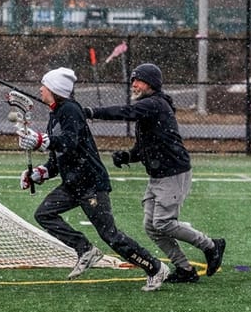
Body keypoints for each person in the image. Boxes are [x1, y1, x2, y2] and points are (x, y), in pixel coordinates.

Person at [16, 67, 170, 291]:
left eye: (44, 85)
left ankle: (155, 268)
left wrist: (41, 141)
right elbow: (58, 158)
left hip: (90, 184)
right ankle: (85, 249)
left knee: (110, 235)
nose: (40, 89)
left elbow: (70, 142)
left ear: (54, 89)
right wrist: (39, 173)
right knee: (44, 214)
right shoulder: (56, 114)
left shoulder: (70, 110)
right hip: (73, 184)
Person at [83, 63, 226, 283]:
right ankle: (185, 269)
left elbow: (126, 112)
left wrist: (92, 112)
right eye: (133, 80)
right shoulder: (149, 107)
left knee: (163, 223)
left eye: (138, 80)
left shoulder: (154, 104)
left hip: (173, 173)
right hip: (158, 175)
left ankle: (211, 245)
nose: (134, 84)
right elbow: (144, 147)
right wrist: (128, 156)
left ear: (151, 83)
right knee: (151, 226)